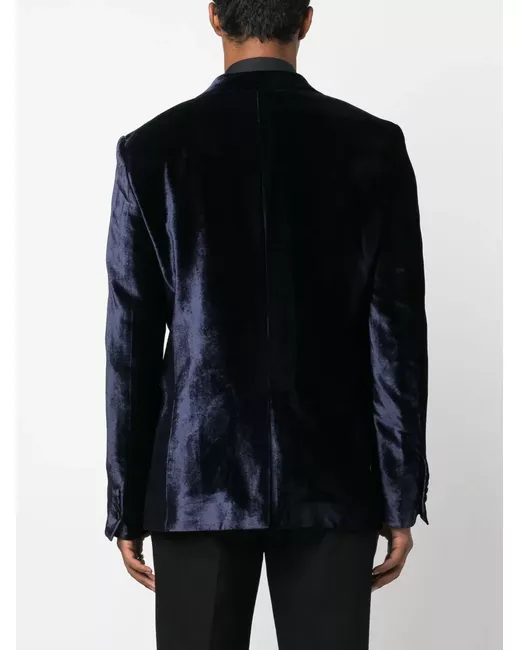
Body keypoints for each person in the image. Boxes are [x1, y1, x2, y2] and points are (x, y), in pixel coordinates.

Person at [103, 1, 430, 648]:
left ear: (214, 17)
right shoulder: (373, 145)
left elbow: (131, 345)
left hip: (196, 483)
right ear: (305, 20)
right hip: (332, 479)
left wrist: (126, 501)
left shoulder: (152, 150)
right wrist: (400, 493)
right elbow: (396, 339)